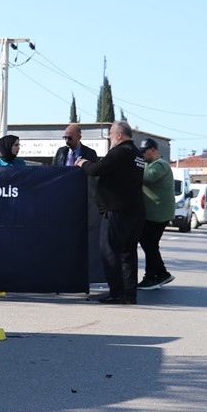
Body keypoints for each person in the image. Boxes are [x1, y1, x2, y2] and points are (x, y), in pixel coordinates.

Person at [77, 120, 145, 304]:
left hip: (117, 210)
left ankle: (117, 293)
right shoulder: (137, 154)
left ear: (119, 135)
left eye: (111, 133)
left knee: (109, 251)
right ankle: (130, 293)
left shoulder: (120, 152)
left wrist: (82, 163)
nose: (109, 137)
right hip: (135, 211)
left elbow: (97, 169)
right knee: (128, 253)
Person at [137, 138, 175, 290]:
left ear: (153, 150)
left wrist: (136, 165)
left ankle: (151, 278)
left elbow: (147, 177)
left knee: (150, 245)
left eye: (143, 152)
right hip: (154, 213)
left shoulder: (160, 164)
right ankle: (162, 274)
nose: (142, 155)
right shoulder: (149, 164)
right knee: (149, 244)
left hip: (159, 213)